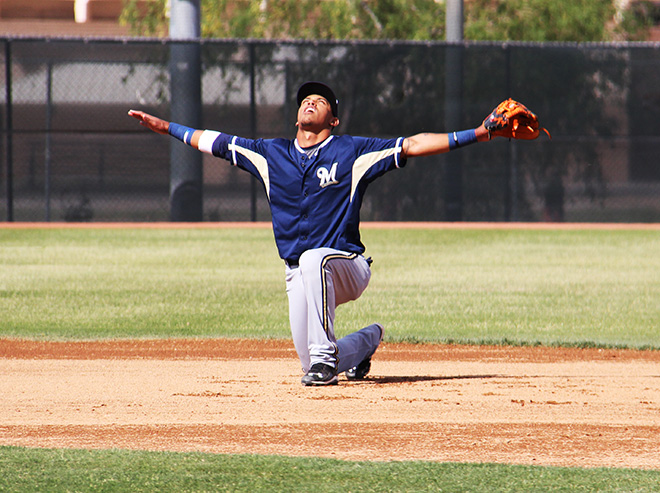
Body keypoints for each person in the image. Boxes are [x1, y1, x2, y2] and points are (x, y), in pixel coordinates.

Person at [129, 81, 492, 386]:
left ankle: (323, 360)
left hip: (346, 265)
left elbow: (412, 144)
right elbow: (215, 141)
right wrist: (167, 128)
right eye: (306, 99)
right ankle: (367, 340)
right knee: (311, 362)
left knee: (314, 261)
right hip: (298, 273)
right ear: (297, 115)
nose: (311, 101)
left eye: (321, 100)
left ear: (332, 119)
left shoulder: (351, 151)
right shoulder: (271, 154)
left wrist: (479, 133)